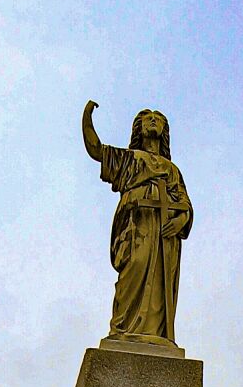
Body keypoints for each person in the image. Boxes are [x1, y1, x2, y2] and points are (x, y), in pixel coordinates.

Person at [81, 100, 193, 343]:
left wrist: (181, 219)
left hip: (164, 232)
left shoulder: (171, 170)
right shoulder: (129, 158)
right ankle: (123, 330)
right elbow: (96, 150)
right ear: (138, 129)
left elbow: (184, 203)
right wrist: (87, 115)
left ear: (164, 131)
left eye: (159, 119)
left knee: (159, 281)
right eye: (147, 118)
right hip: (135, 226)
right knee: (135, 268)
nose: (153, 120)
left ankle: (155, 335)